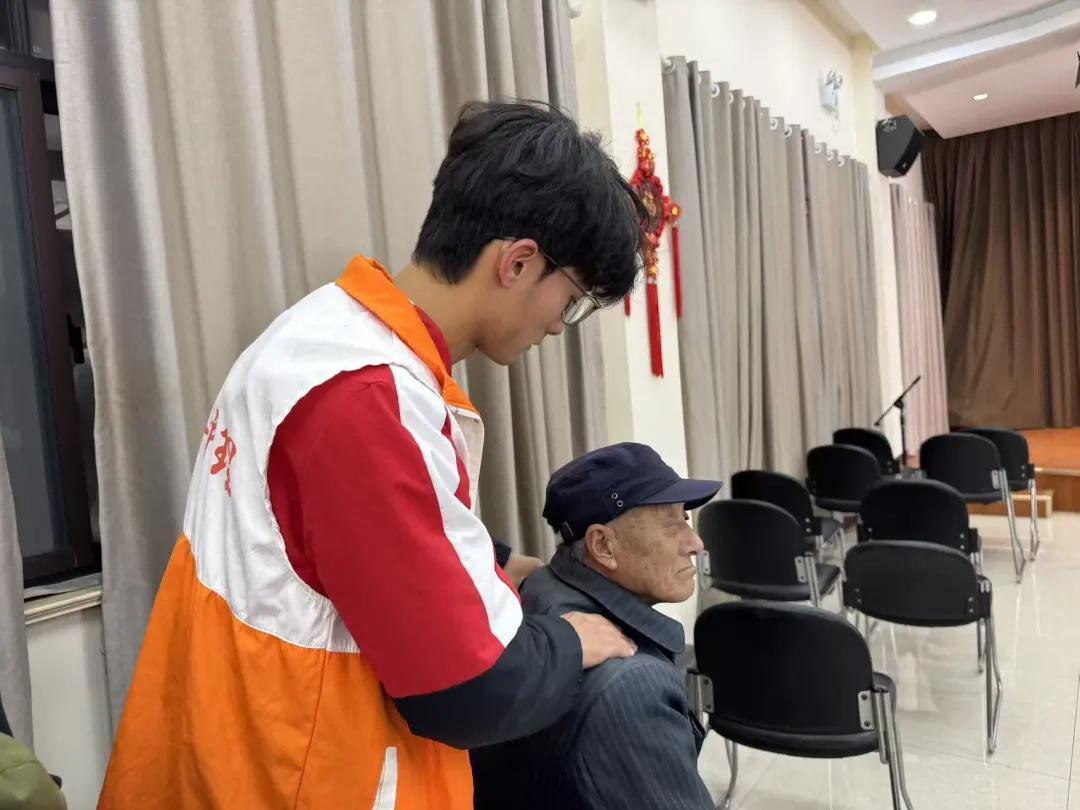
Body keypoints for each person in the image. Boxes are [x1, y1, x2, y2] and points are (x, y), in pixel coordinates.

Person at [98, 101, 647, 809]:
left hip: (225, 743)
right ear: (517, 262)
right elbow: (469, 692)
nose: (556, 328)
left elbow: (347, 540)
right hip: (303, 774)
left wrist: (500, 561)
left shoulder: (319, 333)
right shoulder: (367, 400)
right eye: (568, 301)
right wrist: (572, 642)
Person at [472, 442, 721, 810]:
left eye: (684, 518)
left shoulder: (540, 585)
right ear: (603, 545)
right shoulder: (632, 689)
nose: (696, 543)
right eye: (671, 526)